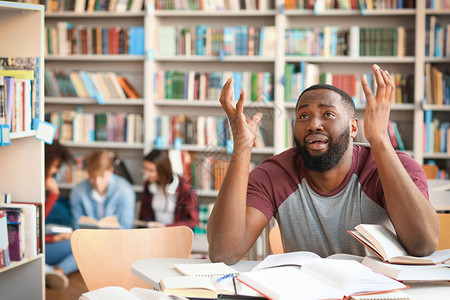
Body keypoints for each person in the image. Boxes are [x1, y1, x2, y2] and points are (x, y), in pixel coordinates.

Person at [207, 64, 440, 264]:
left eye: (327, 114)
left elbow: (423, 245)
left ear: (353, 127)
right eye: (303, 116)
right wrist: (242, 148)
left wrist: (379, 138)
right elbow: (223, 253)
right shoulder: (273, 174)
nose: (313, 125)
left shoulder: (393, 166)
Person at [70, 149, 136, 229]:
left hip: (116, 239)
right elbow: (76, 226)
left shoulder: (125, 190)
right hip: (87, 239)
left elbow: (126, 227)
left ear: (111, 171)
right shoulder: (78, 191)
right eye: (93, 177)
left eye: (102, 176)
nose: (98, 182)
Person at [44, 140, 77, 289]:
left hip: (41, 236)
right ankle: (56, 271)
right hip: (37, 241)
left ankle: (54, 271)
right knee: (81, 247)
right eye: (55, 166)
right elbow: (33, 231)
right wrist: (54, 194)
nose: (55, 171)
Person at [138, 149, 199, 229]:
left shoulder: (185, 188)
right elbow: (145, 214)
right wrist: (150, 224)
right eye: (145, 169)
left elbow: (192, 221)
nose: (146, 174)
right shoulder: (148, 185)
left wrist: (165, 227)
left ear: (162, 170)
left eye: (151, 170)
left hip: (176, 234)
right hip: (154, 233)